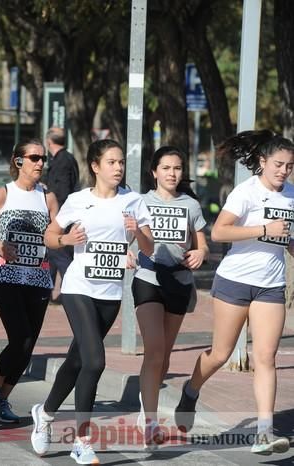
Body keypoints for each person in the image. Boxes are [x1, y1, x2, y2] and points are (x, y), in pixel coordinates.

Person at [30, 139, 153, 463]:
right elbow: (49, 235)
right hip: (78, 287)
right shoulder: (78, 200)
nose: (118, 168)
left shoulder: (133, 201)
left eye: (121, 162)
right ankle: (82, 440)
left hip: (110, 294)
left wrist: (135, 237)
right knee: (95, 361)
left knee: (77, 361)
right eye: (111, 162)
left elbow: (149, 247)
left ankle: (44, 413)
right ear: (95, 166)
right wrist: (66, 239)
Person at [174, 130, 294, 456]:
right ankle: (191, 389)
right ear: (262, 162)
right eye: (278, 164)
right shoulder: (246, 192)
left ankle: (264, 433)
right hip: (234, 281)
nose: (283, 171)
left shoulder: (292, 196)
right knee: (221, 354)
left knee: (265, 358)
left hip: (271, 284)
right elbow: (220, 231)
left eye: (289, 166)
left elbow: (288, 240)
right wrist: (263, 229)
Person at [132, 146, 208, 450]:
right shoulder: (141, 202)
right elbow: (127, 234)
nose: (172, 173)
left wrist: (200, 253)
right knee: (154, 349)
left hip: (178, 280)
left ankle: (144, 406)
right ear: (154, 172)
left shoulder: (191, 205)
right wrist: (128, 250)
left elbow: (201, 242)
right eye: (166, 168)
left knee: (163, 356)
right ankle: (151, 422)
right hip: (148, 277)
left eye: (177, 168)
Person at [0, 139, 58, 423]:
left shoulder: (47, 198)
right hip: (6, 276)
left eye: (42, 159)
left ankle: (2, 398)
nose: (39, 163)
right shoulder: (1, 195)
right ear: (18, 161)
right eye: (34, 157)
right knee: (19, 337)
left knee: (28, 345)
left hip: (38, 278)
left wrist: (67, 238)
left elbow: (55, 235)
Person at [45, 127, 80, 304]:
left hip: (61, 216)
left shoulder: (62, 161)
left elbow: (61, 190)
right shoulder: (66, 158)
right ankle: (47, 291)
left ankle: (70, 290)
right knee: (52, 255)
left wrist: (55, 216)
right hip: (63, 215)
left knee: (59, 254)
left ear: (49, 141)